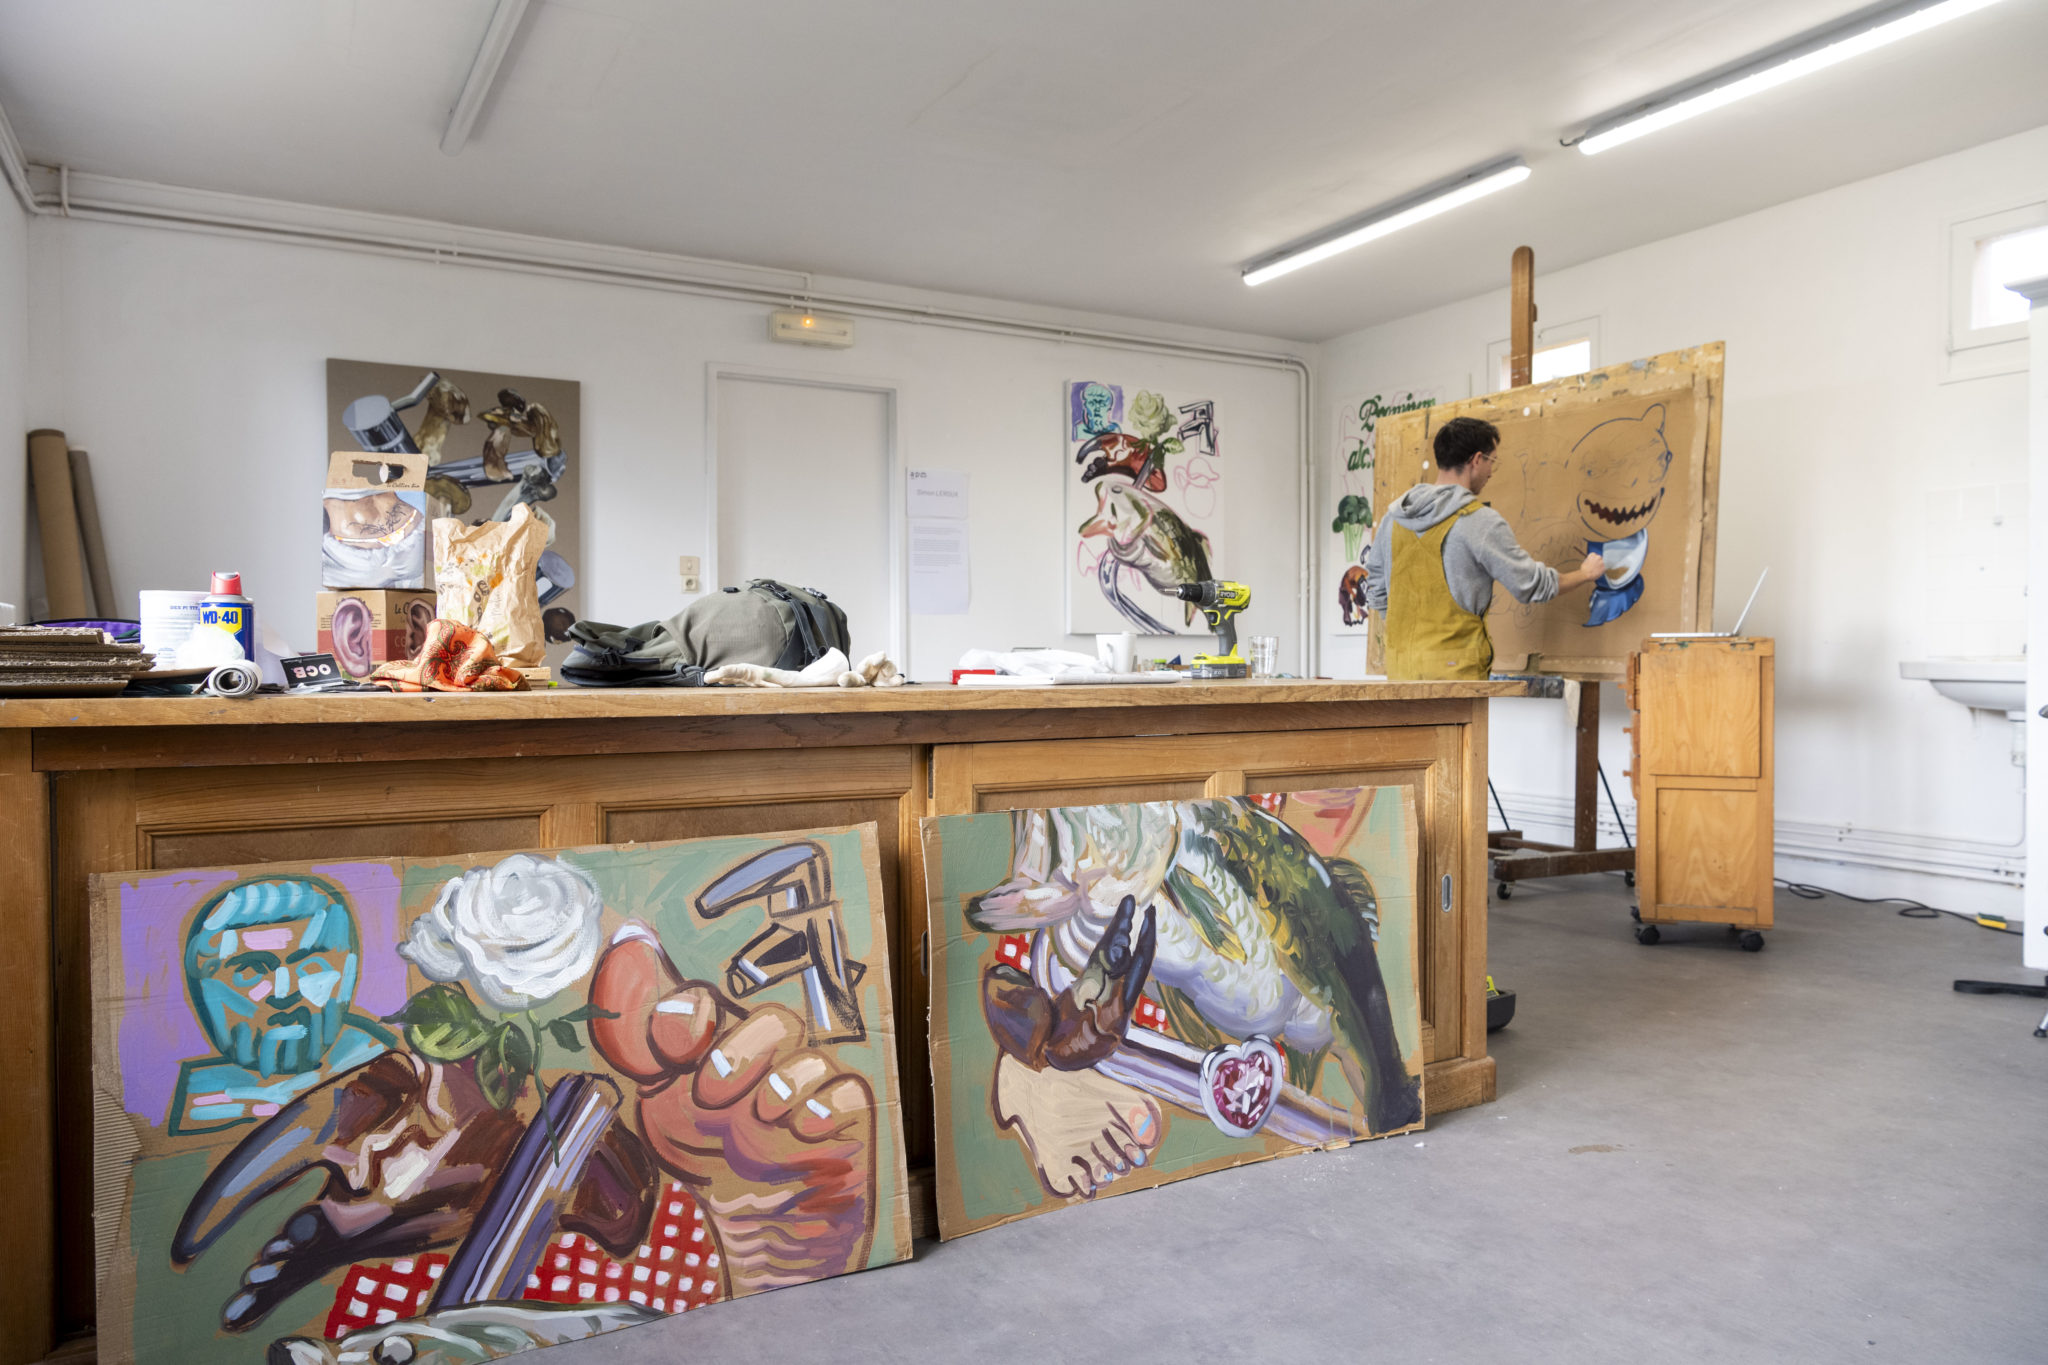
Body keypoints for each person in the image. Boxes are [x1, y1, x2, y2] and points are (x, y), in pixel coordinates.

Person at [1365, 415, 1606, 680]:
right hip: (1455, 678)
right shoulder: (1478, 521)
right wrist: (1585, 574)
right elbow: (1529, 584)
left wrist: (1405, 635)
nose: (1491, 472)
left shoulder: (1392, 520)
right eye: (1492, 461)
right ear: (1477, 460)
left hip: (1400, 672)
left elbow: (1376, 589)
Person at [169, 875, 396, 1134]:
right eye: (252, 970)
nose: (283, 992)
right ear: (205, 989)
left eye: (311, 967)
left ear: (346, 975)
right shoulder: (199, 1100)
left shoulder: (384, 1072)